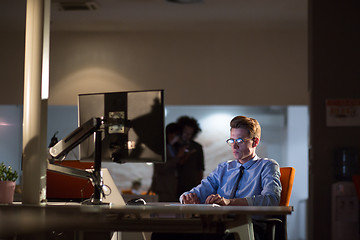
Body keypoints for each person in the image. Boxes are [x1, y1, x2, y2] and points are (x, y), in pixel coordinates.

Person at [180, 116, 282, 240]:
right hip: (220, 227)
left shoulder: (267, 166)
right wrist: (187, 197)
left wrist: (229, 202)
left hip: (250, 227)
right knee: (165, 235)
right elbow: (198, 191)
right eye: (231, 140)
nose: (234, 146)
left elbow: (271, 200)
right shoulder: (224, 168)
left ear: (255, 142)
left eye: (239, 141)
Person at [150, 123, 185, 202]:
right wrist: (178, 157)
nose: (172, 137)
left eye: (175, 135)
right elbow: (160, 167)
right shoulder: (161, 148)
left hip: (173, 188)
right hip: (163, 187)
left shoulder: (173, 148)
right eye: (170, 133)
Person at [176, 116, 205, 198]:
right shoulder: (174, 145)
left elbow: (200, 168)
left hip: (192, 184)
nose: (187, 136)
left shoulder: (197, 147)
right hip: (175, 185)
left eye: (189, 134)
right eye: (185, 132)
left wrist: (199, 187)